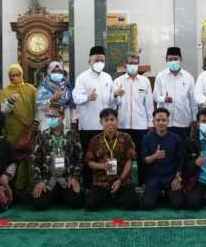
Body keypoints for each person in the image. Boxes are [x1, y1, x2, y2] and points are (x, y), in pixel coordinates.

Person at [73, 46, 114, 188]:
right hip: (88, 126)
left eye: (102, 60)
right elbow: (76, 98)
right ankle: (88, 187)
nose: (99, 63)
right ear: (90, 60)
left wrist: (116, 96)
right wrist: (87, 97)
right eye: (97, 60)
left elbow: (111, 102)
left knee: (106, 157)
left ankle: (106, 185)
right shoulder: (82, 78)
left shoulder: (108, 77)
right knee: (89, 158)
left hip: (105, 127)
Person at [84, 108, 139, 211]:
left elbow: (130, 160)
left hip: (122, 181)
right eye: (106, 120)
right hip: (102, 182)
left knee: (133, 204)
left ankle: (113, 196)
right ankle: (111, 196)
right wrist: (102, 166)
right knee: (90, 205)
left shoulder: (126, 138)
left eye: (112, 119)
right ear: (101, 122)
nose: (109, 122)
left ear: (117, 121)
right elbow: (89, 162)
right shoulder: (95, 140)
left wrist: (120, 180)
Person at [31, 102, 83, 210]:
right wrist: (39, 182)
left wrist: (75, 178)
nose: (50, 119)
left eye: (53, 116)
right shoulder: (41, 136)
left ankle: (59, 195)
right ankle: (56, 195)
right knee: (38, 204)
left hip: (67, 178)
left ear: (62, 117)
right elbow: (35, 161)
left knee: (77, 202)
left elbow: (79, 159)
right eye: (48, 116)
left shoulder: (72, 135)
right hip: (48, 179)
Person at [113, 52, 154, 186]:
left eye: (135, 63)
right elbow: (113, 105)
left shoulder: (145, 81)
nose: (132, 65)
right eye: (130, 63)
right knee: (123, 157)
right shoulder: (118, 81)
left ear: (138, 65)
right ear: (125, 64)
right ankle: (123, 183)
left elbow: (149, 104)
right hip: (123, 126)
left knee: (142, 157)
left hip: (141, 126)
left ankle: (143, 184)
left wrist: (150, 123)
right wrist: (116, 95)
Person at [0, 63, 37, 193]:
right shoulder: (5, 91)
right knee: (15, 160)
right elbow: (3, 110)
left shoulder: (31, 89)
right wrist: (10, 101)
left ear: (22, 74)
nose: (14, 77)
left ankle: (30, 188)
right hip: (14, 133)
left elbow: (38, 108)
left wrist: (35, 124)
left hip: (30, 132)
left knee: (30, 159)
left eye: (17, 74)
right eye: (11, 75)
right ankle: (16, 190)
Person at [141, 108, 185, 210]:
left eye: (164, 120)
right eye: (158, 120)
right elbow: (144, 160)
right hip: (154, 178)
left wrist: (177, 178)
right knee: (147, 205)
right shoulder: (147, 138)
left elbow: (180, 160)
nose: (161, 123)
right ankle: (158, 194)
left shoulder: (177, 139)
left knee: (178, 203)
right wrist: (155, 156)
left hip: (171, 177)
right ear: (153, 122)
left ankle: (166, 194)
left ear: (168, 121)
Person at [153, 47, 197, 139]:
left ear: (181, 59)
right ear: (166, 60)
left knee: (183, 147)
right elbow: (155, 96)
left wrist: (194, 119)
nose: (173, 61)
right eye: (170, 59)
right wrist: (164, 99)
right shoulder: (160, 77)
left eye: (175, 59)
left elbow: (193, 100)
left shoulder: (188, 77)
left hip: (183, 122)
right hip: (164, 123)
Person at [35, 61, 73, 131]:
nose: (57, 73)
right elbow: (39, 106)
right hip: (48, 123)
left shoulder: (67, 85)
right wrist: (51, 99)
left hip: (64, 122)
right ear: (49, 71)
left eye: (59, 72)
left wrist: (72, 121)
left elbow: (70, 105)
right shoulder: (43, 87)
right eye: (54, 71)